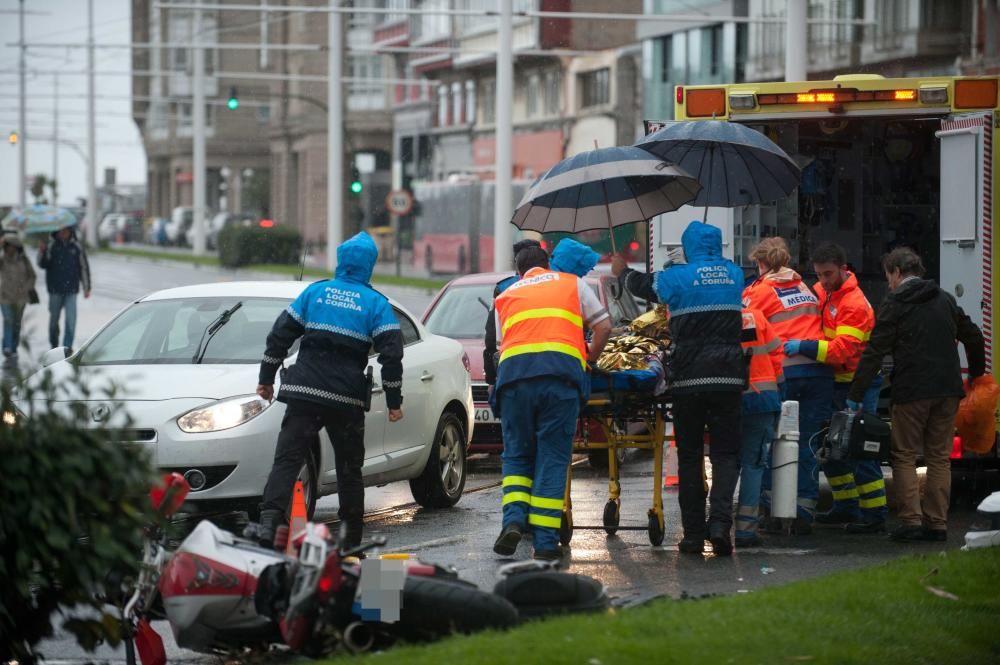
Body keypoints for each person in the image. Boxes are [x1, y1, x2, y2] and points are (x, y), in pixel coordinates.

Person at [255, 232, 404, 549]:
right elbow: (392, 354)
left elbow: (279, 335)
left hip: (304, 391)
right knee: (350, 469)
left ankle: (268, 525)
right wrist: (394, 401)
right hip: (346, 398)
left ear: (341, 261)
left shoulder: (315, 292)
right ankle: (350, 538)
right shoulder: (376, 303)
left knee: (287, 460)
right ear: (369, 266)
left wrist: (266, 378)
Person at [613, 221, 745, 556]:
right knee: (726, 455)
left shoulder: (677, 277)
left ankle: (691, 535)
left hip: (689, 380)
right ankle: (719, 527)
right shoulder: (735, 274)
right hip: (729, 378)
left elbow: (645, 286)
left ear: (688, 247)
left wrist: (623, 272)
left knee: (689, 456)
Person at [848, 247, 985, 542]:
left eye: (889, 277)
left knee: (905, 455)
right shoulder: (944, 298)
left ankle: (911, 521)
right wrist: (976, 374)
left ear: (897, 272)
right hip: (948, 389)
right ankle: (937, 524)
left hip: (912, 389)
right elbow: (974, 335)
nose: (889, 283)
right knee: (939, 457)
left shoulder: (895, 303)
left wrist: (856, 392)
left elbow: (875, 351)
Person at [492, 245, 611, 561]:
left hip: (514, 382)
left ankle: (514, 519)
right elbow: (604, 326)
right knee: (552, 457)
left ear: (519, 272)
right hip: (558, 382)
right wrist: (588, 360)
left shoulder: (505, 296)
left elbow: (501, 348)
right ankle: (545, 544)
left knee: (516, 455)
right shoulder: (570, 283)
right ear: (549, 265)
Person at [784, 242, 887, 533]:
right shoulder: (823, 291)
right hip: (836, 382)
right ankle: (846, 507)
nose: (824, 280)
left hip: (857, 384)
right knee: (831, 449)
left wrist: (803, 346)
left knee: (860, 448)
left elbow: (842, 351)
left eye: (828, 274)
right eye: (819, 275)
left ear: (843, 269)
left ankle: (874, 514)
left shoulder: (854, 304)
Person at [743, 237, 831, 534]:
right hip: (817, 373)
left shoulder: (761, 291)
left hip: (783, 374)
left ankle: (772, 508)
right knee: (806, 441)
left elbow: (744, 325)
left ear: (762, 263)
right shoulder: (805, 288)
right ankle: (804, 510)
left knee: (770, 442)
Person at [735, 307, 784, 548]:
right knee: (753, 465)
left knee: (726, 462)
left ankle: (719, 527)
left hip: (728, 400)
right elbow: (777, 352)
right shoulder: (754, 315)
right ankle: (745, 530)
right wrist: (777, 389)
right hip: (763, 398)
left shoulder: (709, 314)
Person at [483, 238, 542, 391]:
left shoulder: (503, 288)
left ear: (517, 262)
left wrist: (491, 379)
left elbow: (491, 336)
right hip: (553, 367)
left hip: (513, 368)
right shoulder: (559, 285)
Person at [37, 225, 91, 351]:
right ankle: (54, 345)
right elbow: (42, 264)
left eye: (66, 230)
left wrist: (86, 287)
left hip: (71, 290)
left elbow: (84, 267)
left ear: (70, 231)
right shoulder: (51, 246)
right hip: (55, 290)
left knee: (71, 320)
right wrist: (42, 252)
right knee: (53, 322)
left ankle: (67, 348)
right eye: (61, 230)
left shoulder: (77, 247)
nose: (63, 232)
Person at [0, 235, 37, 361]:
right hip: (5, 297)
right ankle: (7, 348)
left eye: (12, 246)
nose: (10, 248)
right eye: (8, 245)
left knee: (16, 323)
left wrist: (26, 287)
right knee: (8, 320)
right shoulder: (2, 259)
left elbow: (32, 276)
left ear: (16, 247)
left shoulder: (24, 260)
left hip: (21, 298)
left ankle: (13, 346)